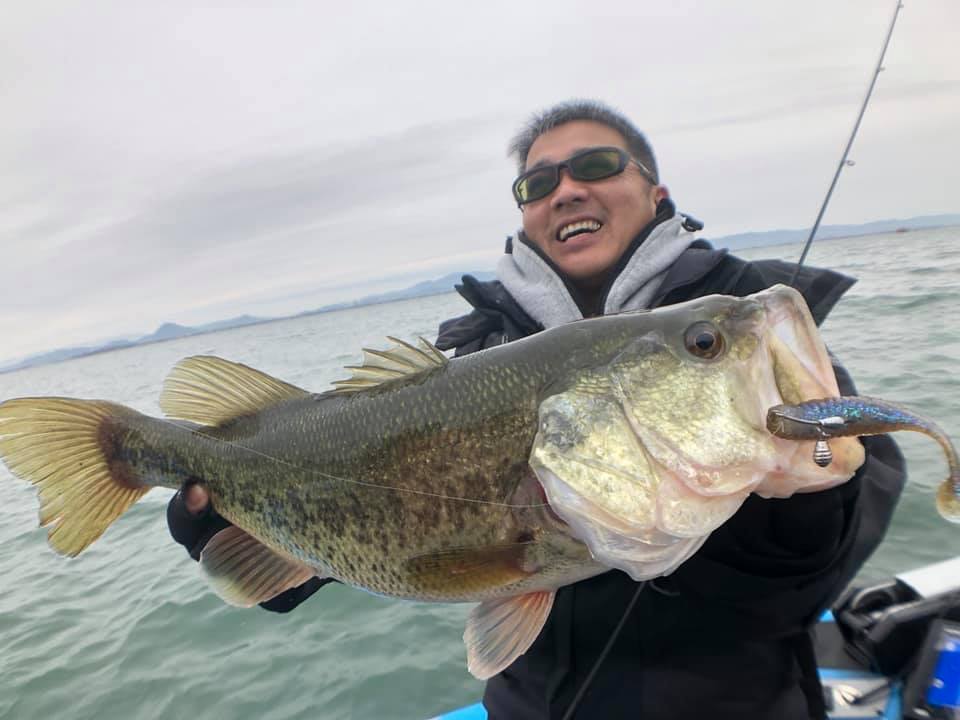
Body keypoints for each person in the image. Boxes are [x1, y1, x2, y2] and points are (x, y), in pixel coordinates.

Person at [167, 100, 907, 719]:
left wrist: (807, 497)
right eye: (538, 182)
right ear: (525, 216)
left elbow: (813, 577)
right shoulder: (466, 358)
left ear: (656, 192)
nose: (567, 190)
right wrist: (244, 526)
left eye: (597, 165)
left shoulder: (753, 348)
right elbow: (383, 526)